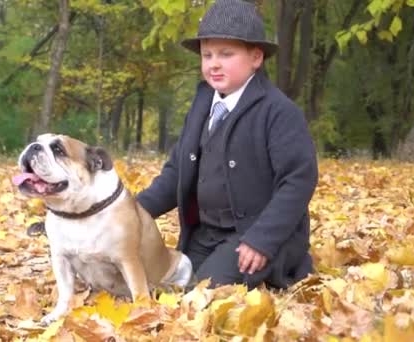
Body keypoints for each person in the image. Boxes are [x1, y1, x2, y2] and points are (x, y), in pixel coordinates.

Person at [136, 0, 318, 289]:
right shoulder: (202, 104)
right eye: (207, 55)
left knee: (203, 296)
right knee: (161, 285)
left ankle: (291, 265)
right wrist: (131, 211)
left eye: (226, 54)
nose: (214, 63)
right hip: (205, 234)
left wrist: (262, 241)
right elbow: (175, 174)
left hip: (253, 236)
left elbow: (298, 181)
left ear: (256, 57)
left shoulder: (278, 111)